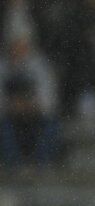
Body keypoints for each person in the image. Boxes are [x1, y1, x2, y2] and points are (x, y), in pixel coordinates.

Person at [0, 34, 59, 166]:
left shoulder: (40, 65)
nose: (18, 50)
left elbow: (48, 96)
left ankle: (42, 162)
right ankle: (13, 163)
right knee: (4, 128)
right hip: (9, 113)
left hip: (35, 112)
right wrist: (11, 105)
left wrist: (32, 104)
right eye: (15, 46)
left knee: (51, 124)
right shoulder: (3, 66)